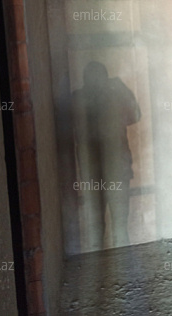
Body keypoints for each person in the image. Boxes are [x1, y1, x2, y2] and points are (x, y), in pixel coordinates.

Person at [72, 61, 141, 248]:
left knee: (111, 230)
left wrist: (119, 90)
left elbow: (135, 115)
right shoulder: (83, 99)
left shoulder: (85, 98)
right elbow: (135, 115)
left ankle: (114, 265)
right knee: (109, 230)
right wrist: (119, 89)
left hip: (108, 172)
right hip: (103, 172)